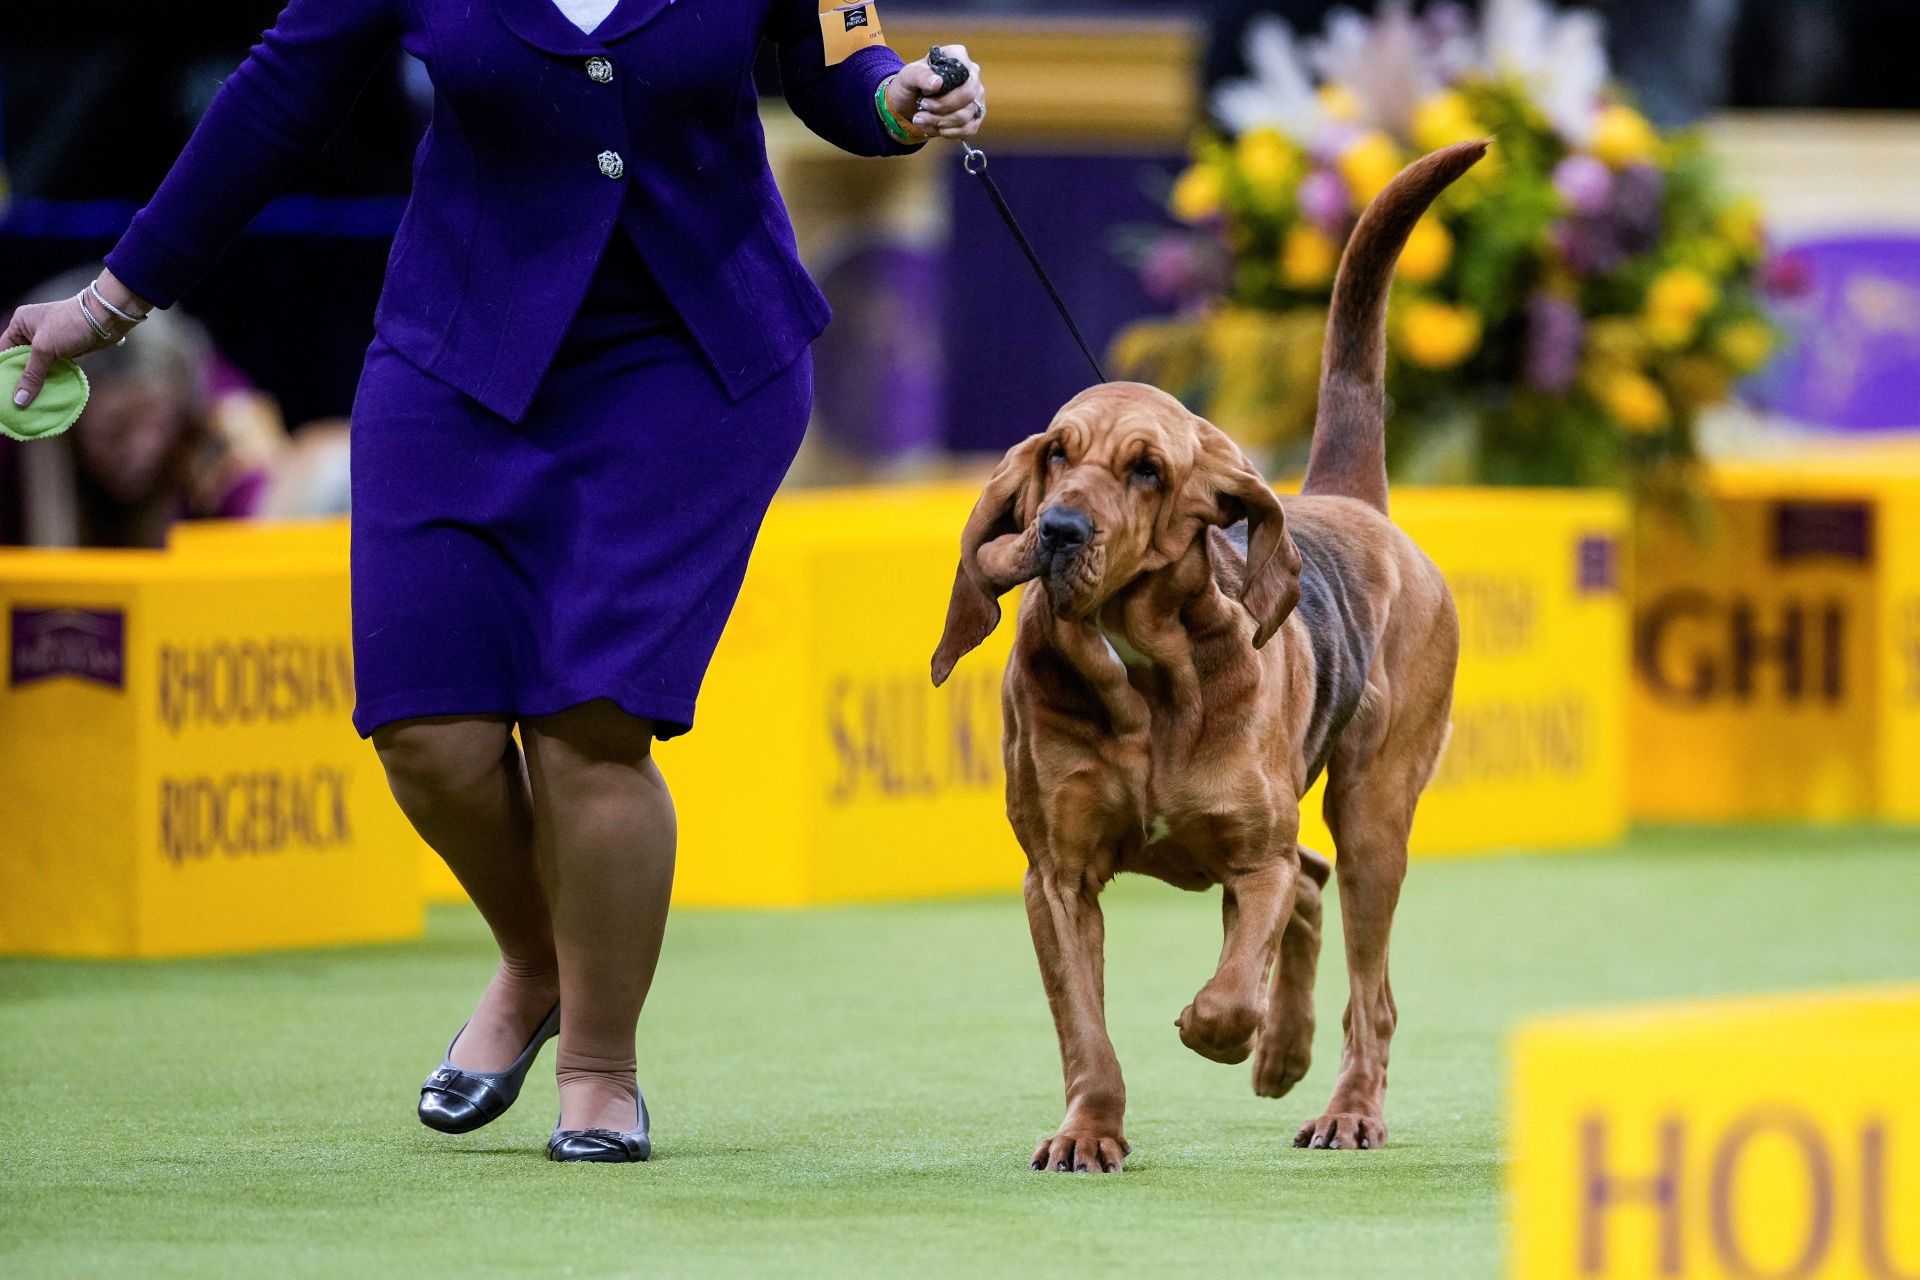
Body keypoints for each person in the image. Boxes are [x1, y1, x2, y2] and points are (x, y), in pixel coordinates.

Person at [4, 0, 985, 1164]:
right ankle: (537, 956)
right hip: (457, 352)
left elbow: (839, 64)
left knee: (590, 721)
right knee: (427, 730)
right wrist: (112, 302)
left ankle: (599, 1069)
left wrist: (900, 99)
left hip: (694, 358)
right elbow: (279, 94)